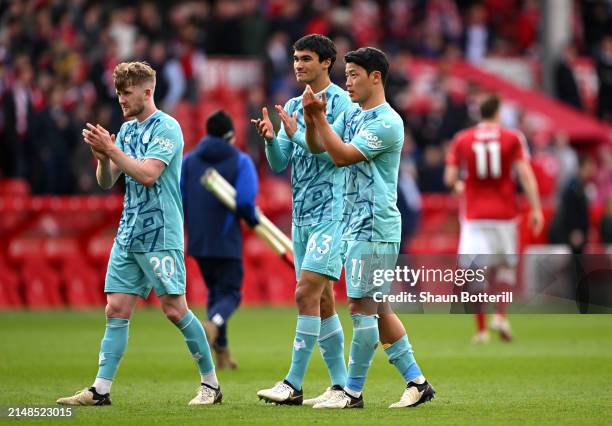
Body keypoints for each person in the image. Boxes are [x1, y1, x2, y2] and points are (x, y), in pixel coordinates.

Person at [56, 61, 221, 406]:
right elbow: (107, 181)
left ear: (147, 92)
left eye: (126, 92)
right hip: (129, 232)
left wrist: (112, 150)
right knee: (115, 308)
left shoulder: (168, 128)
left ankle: (211, 385)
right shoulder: (128, 130)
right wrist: (101, 156)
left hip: (161, 231)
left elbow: (148, 175)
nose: (120, 99)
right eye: (117, 93)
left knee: (175, 310)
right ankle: (100, 390)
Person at [302, 47, 435, 409]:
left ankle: (352, 392)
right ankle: (418, 382)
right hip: (355, 225)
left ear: (376, 77)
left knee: (362, 306)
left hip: (375, 227)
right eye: (346, 75)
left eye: (354, 75)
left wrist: (322, 121)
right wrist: (313, 120)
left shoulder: (387, 122)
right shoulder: (355, 115)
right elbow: (322, 150)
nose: (347, 82)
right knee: (377, 307)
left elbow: (343, 155)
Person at [252, 34, 351, 406]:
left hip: (331, 214)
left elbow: (337, 155)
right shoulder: (293, 103)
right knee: (323, 299)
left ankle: (293, 383)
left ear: (326, 62)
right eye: (295, 58)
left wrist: (297, 134)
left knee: (304, 293)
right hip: (302, 217)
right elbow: (280, 163)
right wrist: (270, 140)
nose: (297, 65)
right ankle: (342, 387)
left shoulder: (342, 103)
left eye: (306, 58)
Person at [444, 94, 543, 343]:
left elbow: (450, 178)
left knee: (476, 272)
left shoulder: (462, 139)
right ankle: (499, 314)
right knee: (506, 267)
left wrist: (457, 186)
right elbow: (525, 174)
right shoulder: (513, 138)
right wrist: (536, 208)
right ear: (498, 112)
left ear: (480, 113)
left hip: (474, 214)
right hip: (505, 214)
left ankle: (481, 330)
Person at [181, 110, 259, 370]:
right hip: (226, 239)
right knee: (231, 294)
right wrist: (252, 220)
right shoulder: (240, 161)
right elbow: (246, 201)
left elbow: (179, 198)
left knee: (215, 293)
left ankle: (223, 354)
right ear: (230, 135)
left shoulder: (189, 162)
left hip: (198, 240)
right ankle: (213, 324)